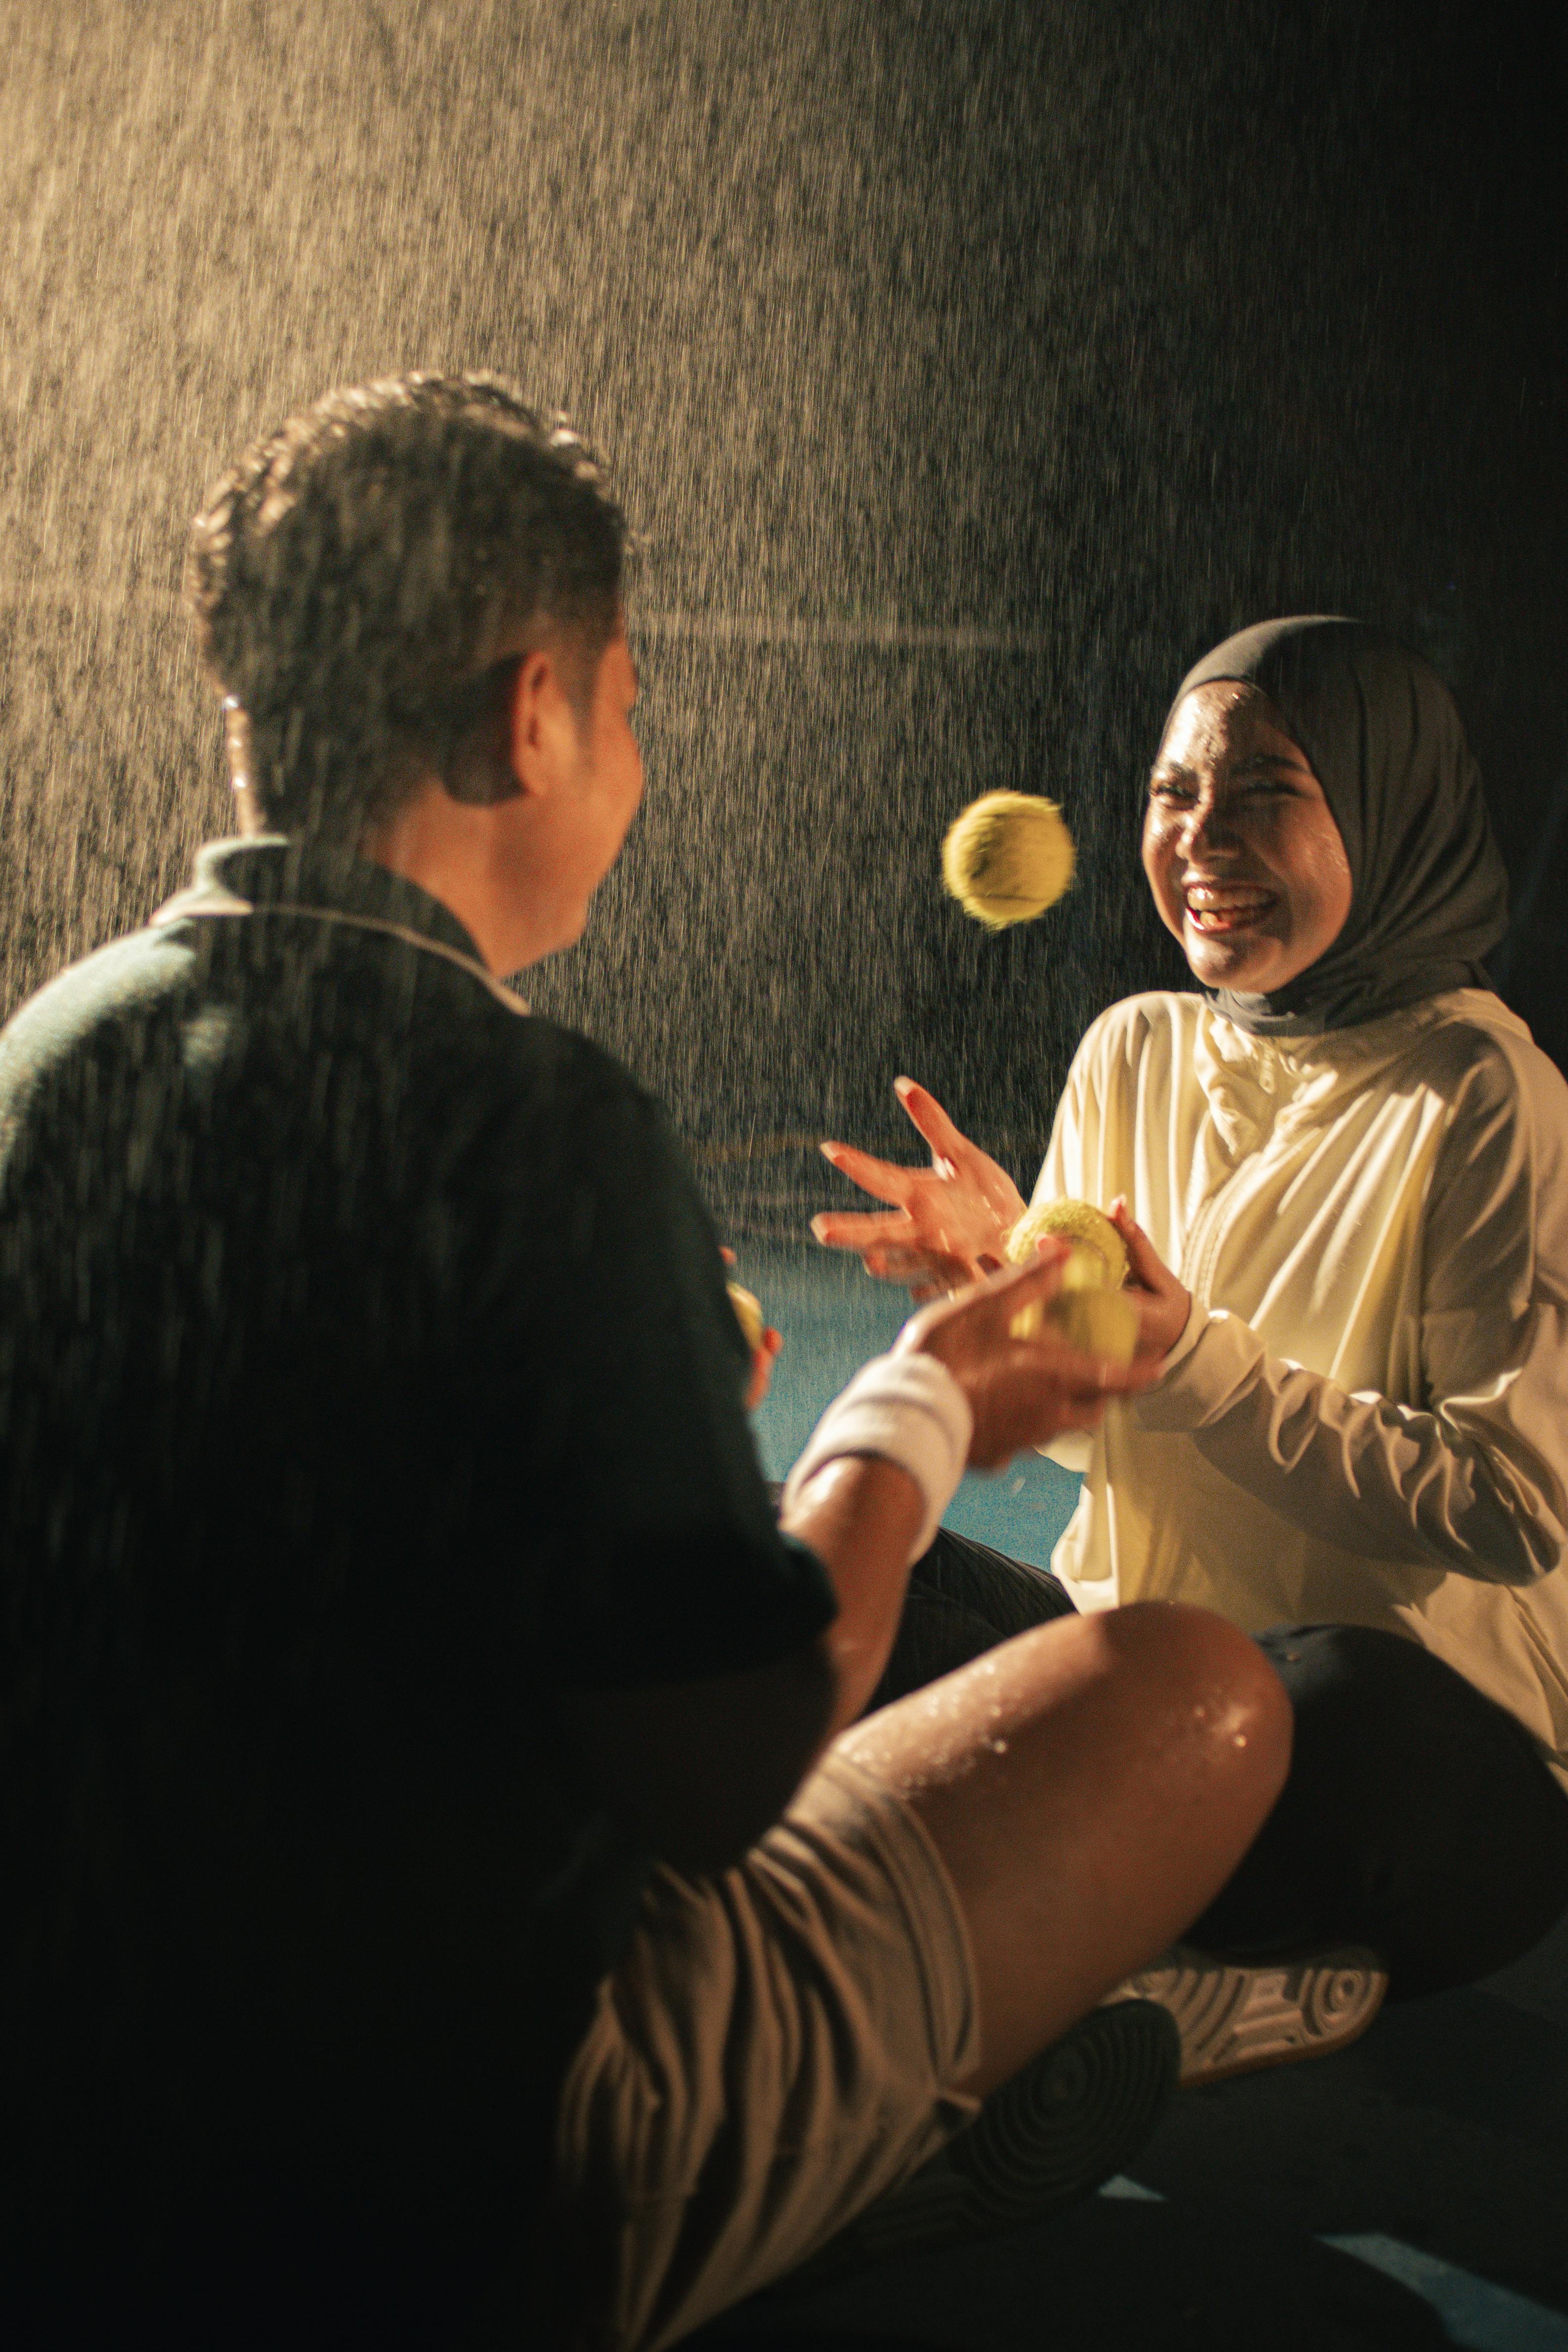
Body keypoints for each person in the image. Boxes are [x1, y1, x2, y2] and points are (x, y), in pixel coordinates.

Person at [0, 376, 1293, 2352]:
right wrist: (924, 1400)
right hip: (417, 2186)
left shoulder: (49, 1049)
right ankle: (859, 2184)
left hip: (69, 2117)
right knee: (1187, 1690)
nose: (631, 753)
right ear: (534, 708)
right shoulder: (531, 1119)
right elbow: (720, 1766)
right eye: (628, 702)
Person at [815, 616, 1568, 2004]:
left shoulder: (1481, 1091)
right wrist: (1013, 1318)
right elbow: (1121, 1440)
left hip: (1415, 1745)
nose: (1199, 839)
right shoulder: (1133, 1048)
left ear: (1390, 814)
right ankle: (1120, 1937)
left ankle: (1025, 1930)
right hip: (1138, 1675)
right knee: (837, 1568)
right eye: (1173, 792)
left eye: (1265, 792)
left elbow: (1508, 1508)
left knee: (1341, 1711)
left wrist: (1196, 1364)